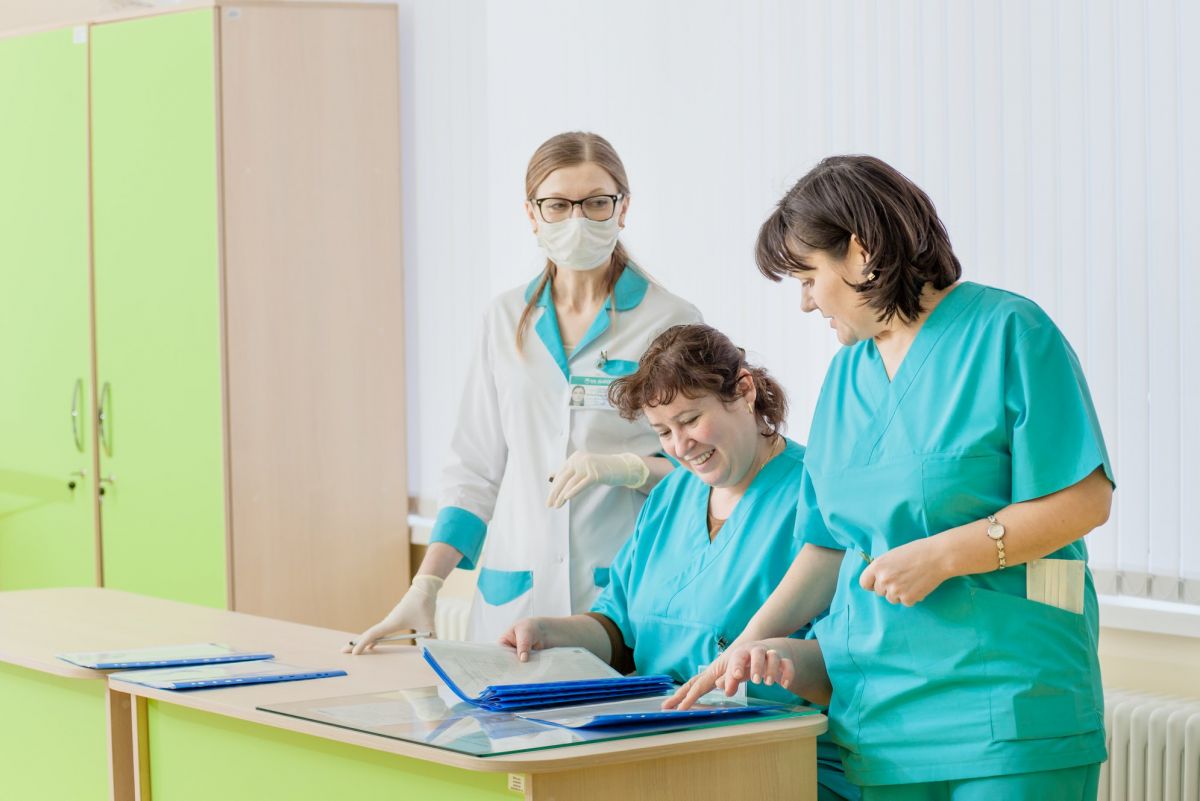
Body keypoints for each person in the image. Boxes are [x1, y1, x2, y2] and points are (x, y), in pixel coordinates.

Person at [668, 155, 1114, 801]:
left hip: (1010, 702)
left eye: (808, 277)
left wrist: (944, 555)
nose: (804, 301)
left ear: (860, 252)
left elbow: (1083, 498)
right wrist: (740, 648)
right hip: (881, 713)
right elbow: (828, 547)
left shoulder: (1010, 332)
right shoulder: (846, 376)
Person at [348, 132, 701, 650]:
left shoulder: (668, 320)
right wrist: (427, 584)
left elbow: (706, 471)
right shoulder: (504, 319)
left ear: (622, 209)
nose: (577, 220)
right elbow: (475, 469)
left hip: (620, 593)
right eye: (557, 204)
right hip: (514, 592)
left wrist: (628, 468)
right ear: (532, 214)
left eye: (596, 202)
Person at [501, 323, 856, 801]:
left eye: (690, 420)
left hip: (780, 758)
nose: (680, 446)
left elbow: (847, 660)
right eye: (663, 432)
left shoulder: (818, 494)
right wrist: (550, 632)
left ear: (744, 391)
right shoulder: (670, 497)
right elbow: (621, 630)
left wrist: (771, 660)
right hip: (661, 749)